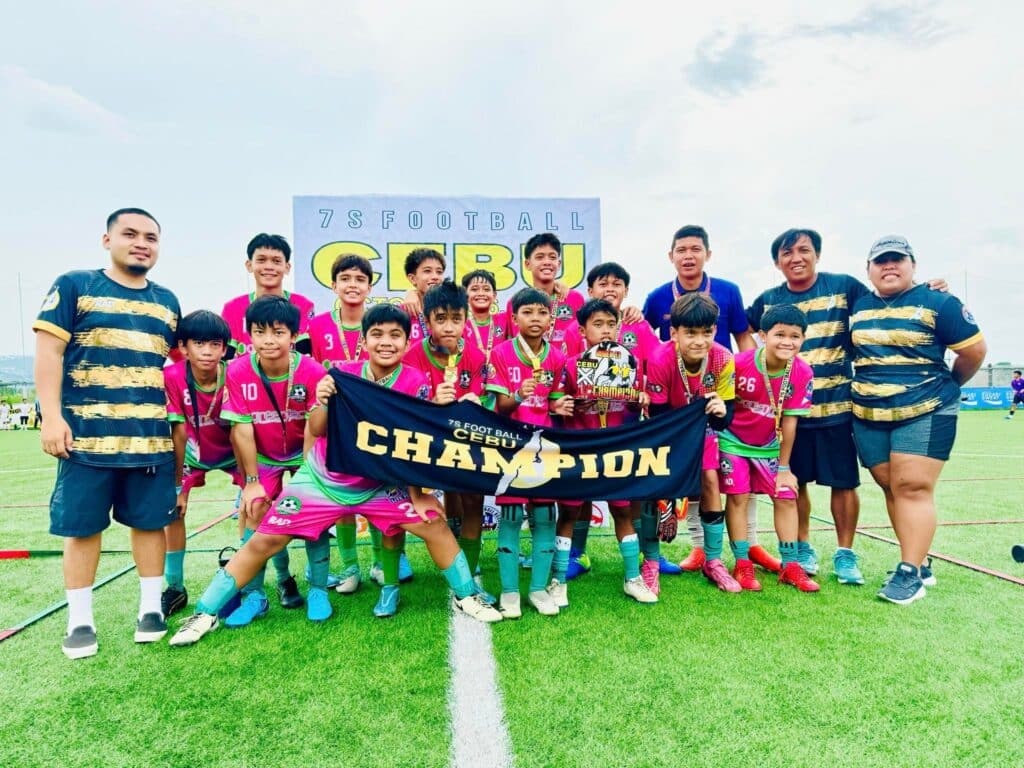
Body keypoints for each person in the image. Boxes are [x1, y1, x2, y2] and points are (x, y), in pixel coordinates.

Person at [168, 305, 502, 645]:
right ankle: (205, 612)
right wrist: (324, 400)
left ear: (406, 342)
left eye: (395, 336)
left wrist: (418, 493)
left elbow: (413, 442)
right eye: (377, 335)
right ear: (364, 341)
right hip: (325, 480)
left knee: (433, 522)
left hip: (380, 484)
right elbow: (316, 427)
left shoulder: (414, 381)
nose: (386, 343)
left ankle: (466, 595)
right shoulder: (340, 373)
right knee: (265, 539)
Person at [33, 207, 181, 659]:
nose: (142, 243)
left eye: (151, 237)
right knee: (82, 529)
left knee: (151, 524)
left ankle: (151, 610)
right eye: (131, 234)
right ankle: (80, 621)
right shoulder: (75, 284)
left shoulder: (168, 301)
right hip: (86, 440)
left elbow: (176, 366)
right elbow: (49, 353)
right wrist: (51, 416)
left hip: (150, 439)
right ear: (107, 240)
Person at [850, 236, 986, 604]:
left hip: (926, 408)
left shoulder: (938, 301)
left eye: (898, 260)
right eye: (881, 261)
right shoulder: (858, 305)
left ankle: (909, 572)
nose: (889, 266)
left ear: (913, 265)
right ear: (868, 270)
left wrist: (950, 384)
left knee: (911, 487)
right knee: (891, 486)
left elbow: (974, 351)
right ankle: (920, 559)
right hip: (869, 413)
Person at [745, 229, 869, 584]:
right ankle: (802, 547)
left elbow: (882, 302)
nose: (796, 258)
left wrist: (927, 288)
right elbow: (741, 330)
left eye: (804, 250)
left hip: (835, 408)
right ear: (776, 262)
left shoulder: (845, 286)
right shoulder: (767, 299)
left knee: (843, 483)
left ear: (817, 255)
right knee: (793, 483)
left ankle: (845, 554)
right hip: (785, 418)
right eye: (787, 253)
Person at [218, 295, 325, 626]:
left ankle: (319, 589)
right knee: (256, 511)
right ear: (249, 334)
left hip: (302, 450)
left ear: (293, 336)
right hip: (262, 454)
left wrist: (307, 479)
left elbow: (313, 427)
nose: (268, 340)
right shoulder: (236, 371)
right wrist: (251, 483)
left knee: (312, 509)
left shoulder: (311, 370)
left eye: (278, 332)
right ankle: (255, 596)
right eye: (260, 331)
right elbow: (242, 430)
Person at [564, 262, 672, 579]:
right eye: (602, 283)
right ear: (590, 291)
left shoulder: (637, 327)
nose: (610, 289)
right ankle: (577, 555)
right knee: (579, 493)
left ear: (626, 291)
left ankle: (646, 557)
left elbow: (657, 364)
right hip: (584, 431)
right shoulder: (576, 329)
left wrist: (647, 393)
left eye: (617, 284)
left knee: (632, 494)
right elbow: (568, 372)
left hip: (625, 428)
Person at [555, 298, 657, 605]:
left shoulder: (628, 363)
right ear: (583, 330)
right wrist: (564, 403)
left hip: (615, 449)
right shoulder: (570, 365)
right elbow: (556, 403)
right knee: (570, 511)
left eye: (611, 324)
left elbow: (635, 408)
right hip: (580, 449)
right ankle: (558, 580)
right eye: (597, 325)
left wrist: (641, 399)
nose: (605, 331)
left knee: (622, 510)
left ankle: (632, 577)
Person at [718, 305, 820, 593]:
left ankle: (790, 566)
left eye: (795, 336)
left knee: (786, 496)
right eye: (779, 335)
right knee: (738, 497)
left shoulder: (802, 372)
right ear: (763, 335)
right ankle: (742, 563)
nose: (787, 342)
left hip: (770, 448)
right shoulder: (738, 363)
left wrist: (785, 468)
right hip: (733, 441)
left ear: (803, 339)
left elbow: (790, 423)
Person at [487, 287, 574, 617]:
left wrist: (560, 404)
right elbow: (499, 409)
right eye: (527, 313)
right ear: (514, 318)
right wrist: (518, 394)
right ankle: (510, 594)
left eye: (542, 313)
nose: (535, 319)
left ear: (551, 319)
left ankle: (538, 590)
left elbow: (553, 400)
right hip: (510, 448)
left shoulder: (557, 357)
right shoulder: (501, 353)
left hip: (545, 450)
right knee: (509, 519)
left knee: (544, 518)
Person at [402, 280, 491, 597]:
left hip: (465, 446)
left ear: (466, 319)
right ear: (427, 322)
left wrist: (477, 405)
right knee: (403, 501)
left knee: (472, 502)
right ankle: (390, 570)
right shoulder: (412, 357)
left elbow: (488, 404)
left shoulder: (477, 357)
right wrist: (430, 404)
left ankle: (468, 568)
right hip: (425, 448)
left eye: (456, 318)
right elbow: (403, 408)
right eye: (440, 319)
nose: (449, 326)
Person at [647, 293, 740, 593]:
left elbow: (725, 419)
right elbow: (658, 415)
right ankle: (650, 561)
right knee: (654, 486)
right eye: (690, 333)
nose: (700, 341)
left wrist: (721, 412)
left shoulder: (724, 359)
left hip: (702, 432)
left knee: (710, 481)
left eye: (707, 332)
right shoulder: (660, 358)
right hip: (665, 431)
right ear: (674, 333)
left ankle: (712, 561)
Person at [307, 253, 374, 594]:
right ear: (333, 285)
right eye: (345, 278)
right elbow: (312, 372)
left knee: (380, 487)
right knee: (342, 496)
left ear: (369, 286)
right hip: (335, 420)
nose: (352, 285)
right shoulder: (317, 325)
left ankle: (384, 560)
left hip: (372, 419)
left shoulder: (377, 321)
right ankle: (350, 567)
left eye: (360, 279)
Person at [162, 310, 235, 617]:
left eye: (215, 344)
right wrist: (178, 486)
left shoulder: (235, 373)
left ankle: (260, 579)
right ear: (183, 346)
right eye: (199, 343)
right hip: (191, 454)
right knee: (171, 509)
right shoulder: (172, 376)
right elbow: (177, 433)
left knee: (255, 505)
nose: (207, 351)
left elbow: (244, 430)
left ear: (224, 347)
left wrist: (254, 480)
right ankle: (175, 586)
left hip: (233, 451)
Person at [221, 233, 316, 357]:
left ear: (287, 268)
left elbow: (305, 354)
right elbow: (225, 357)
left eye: (276, 261)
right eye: (261, 260)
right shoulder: (233, 308)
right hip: (246, 375)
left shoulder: (303, 305)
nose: (269, 267)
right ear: (249, 265)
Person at [502, 233, 587, 353]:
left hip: (568, 369)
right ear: (527, 264)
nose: (547, 262)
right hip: (531, 369)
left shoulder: (574, 298)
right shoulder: (515, 302)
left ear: (559, 263)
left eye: (552, 257)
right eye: (540, 257)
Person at [461, 269, 507, 409]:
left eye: (486, 289)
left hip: (500, 396)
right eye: (474, 289)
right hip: (469, 395)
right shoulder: (459, 324)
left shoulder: (505, 319)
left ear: (494, 295)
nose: (481, 293)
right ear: (465, 294)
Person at [402, 247, 447, 346]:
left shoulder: (450, 312)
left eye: (439, 272)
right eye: (427, 271)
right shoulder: (400, 314)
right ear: (413, 279)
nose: (435, 277)